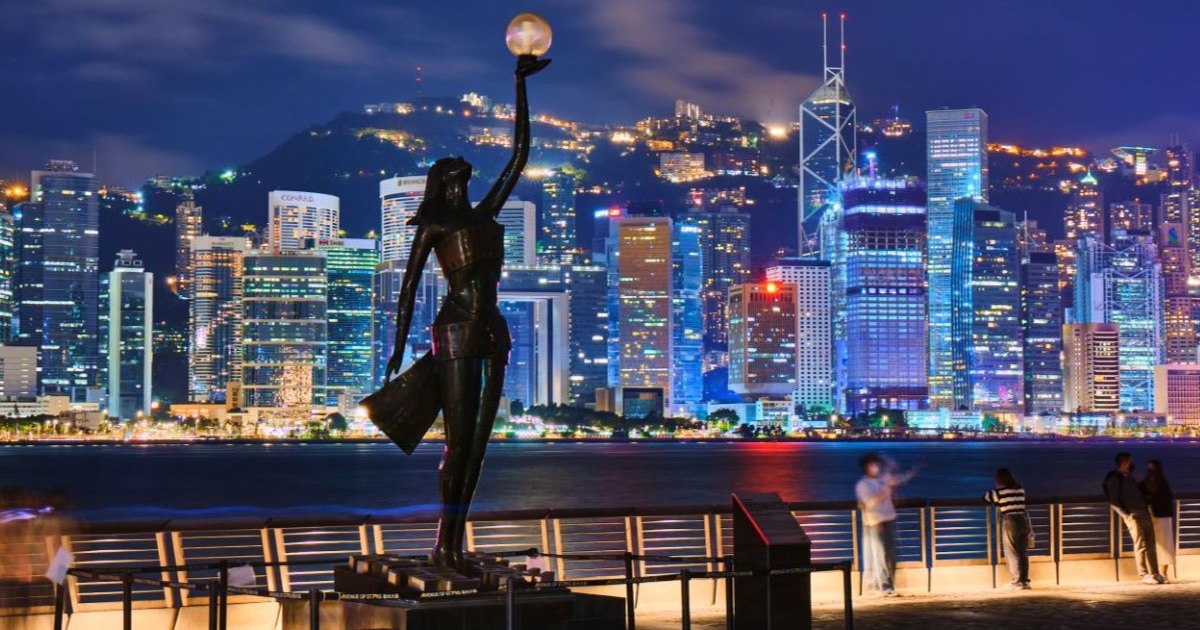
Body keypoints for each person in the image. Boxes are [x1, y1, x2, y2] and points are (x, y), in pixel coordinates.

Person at [379, 54, 550, 571]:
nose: (458, 159)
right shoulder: (433, 221)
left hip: (492, 331)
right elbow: (408, 289)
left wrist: (519, 85)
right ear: (443, 177)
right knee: (456, 445)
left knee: (478, 448)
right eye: (448, 161)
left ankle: (455, 544)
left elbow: (521, 155)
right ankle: (443, 546)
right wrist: (396, 349)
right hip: (454, 332)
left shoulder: (485, 213)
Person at [855, 453, 916, 596]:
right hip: (875, 523)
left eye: (877, 464)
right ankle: (881, 587)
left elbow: (899, 477)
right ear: (866, 467)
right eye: (873, 465)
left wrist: (913, 470)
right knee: (879, 555)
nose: (876, 467)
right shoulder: (862, 484)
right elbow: (868, 504)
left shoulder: (882, 480)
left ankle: (889, 585)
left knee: (891, 555)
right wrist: (884, 493)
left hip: (889, 519)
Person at [1103, 452, 1163, 584]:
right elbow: (1114, 501)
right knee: (1140, 545)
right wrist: (1127, 516)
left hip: (1144, 513)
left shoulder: (1129, 478)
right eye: (1130, 462)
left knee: (1151, 545)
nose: (1131, 464)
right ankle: (1144, 574)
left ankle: (1155, 573)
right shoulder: (1115, 479)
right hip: (1133, 516)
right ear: (1124, 463)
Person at [983, 468, 1030, 589]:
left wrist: (998, 492)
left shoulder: (1000, 491)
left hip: (1010, 521)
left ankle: (1016, 581)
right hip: (1022, 520)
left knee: (1012, 552)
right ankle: (1025, 581)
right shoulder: (1020, 489)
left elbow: (986, 497)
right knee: (1022, 552)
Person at [1140, 459, 1175, 581]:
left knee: (1163, 543)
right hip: (1157, 515)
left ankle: (1162, 573)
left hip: (1161, 516)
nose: (1150, 472)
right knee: (1156, 543)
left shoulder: (1157, 483)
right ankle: (1157, 572)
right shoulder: (1159, 483)